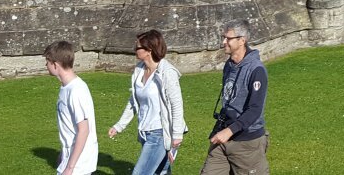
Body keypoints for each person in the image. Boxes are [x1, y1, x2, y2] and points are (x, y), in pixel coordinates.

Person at [110, 29, 187, 175]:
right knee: (161, 172)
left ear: (149, 50)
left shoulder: (167, 72)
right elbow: (133, 101)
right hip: (145, 132)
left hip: (159, 132)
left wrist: (177, 134)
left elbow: (176, 104)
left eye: (137, 47)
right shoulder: (139, 70)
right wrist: (119, 126)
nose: (134, 50)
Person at [203, 20, 268, 175]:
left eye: (228, 38)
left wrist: (229, 131)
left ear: (242, 40)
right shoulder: (229, 65)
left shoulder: (256, 70)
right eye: (223, 37)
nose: (223, 42)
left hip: (247, 143)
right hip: (223, 136)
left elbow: (255, 110)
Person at [45, 40, 99, 175]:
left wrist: (70, 167)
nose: (46, 65)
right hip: (70, 157)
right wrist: (63, 153)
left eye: (47, 61)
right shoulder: (66, 87)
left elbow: (84, 130)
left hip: (79, 163)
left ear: (55, 65)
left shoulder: (76, 91)